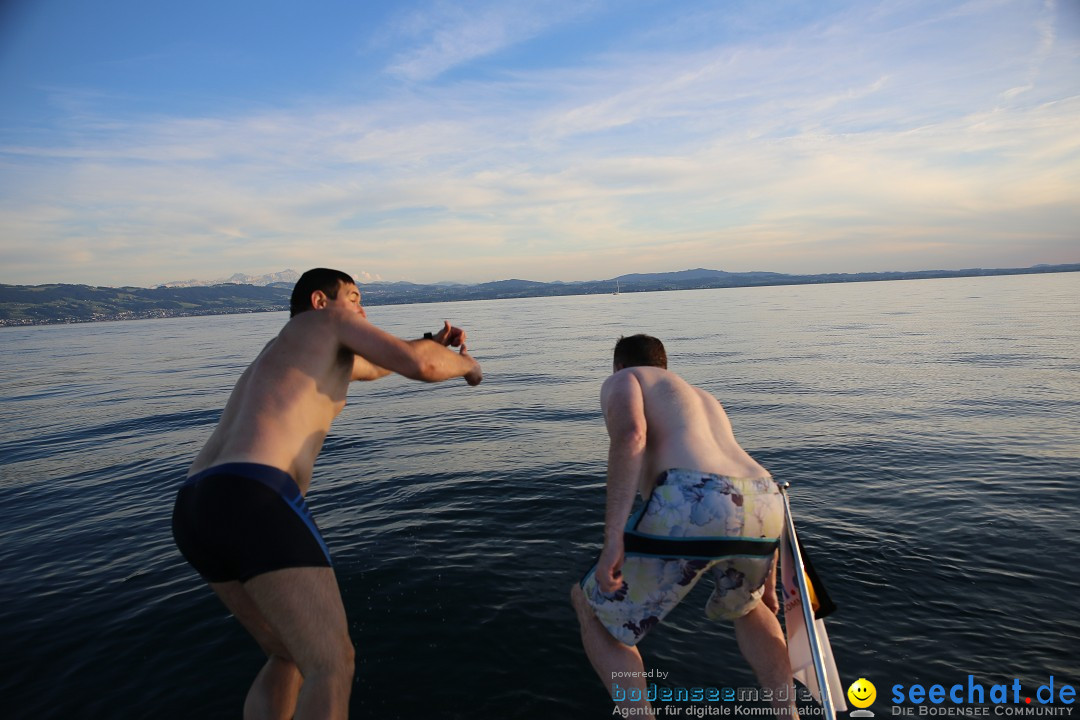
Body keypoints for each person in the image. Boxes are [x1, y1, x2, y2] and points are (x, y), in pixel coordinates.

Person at [171, 268, 482, 720]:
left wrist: (431, 339)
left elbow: (382, 364)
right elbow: (421, 365)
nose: (362, 309)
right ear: (321, 301)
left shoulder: (284, 349)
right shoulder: (329, 322)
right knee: (332, 666)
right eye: (354, 298)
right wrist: (470, 367)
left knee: (288, 654)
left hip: (196, 504)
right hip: (256, 495)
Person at [570, 334, 797, 717]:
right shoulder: (701, 397)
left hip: (695, 494)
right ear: (665, 367)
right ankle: (787, 713)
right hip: (766, 497)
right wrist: (769, 576)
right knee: (751, 607)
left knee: (593, 609)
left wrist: (613, 539)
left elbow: (631, 436)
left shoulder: (625, 380)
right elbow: (735, 490)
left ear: (619, 365)